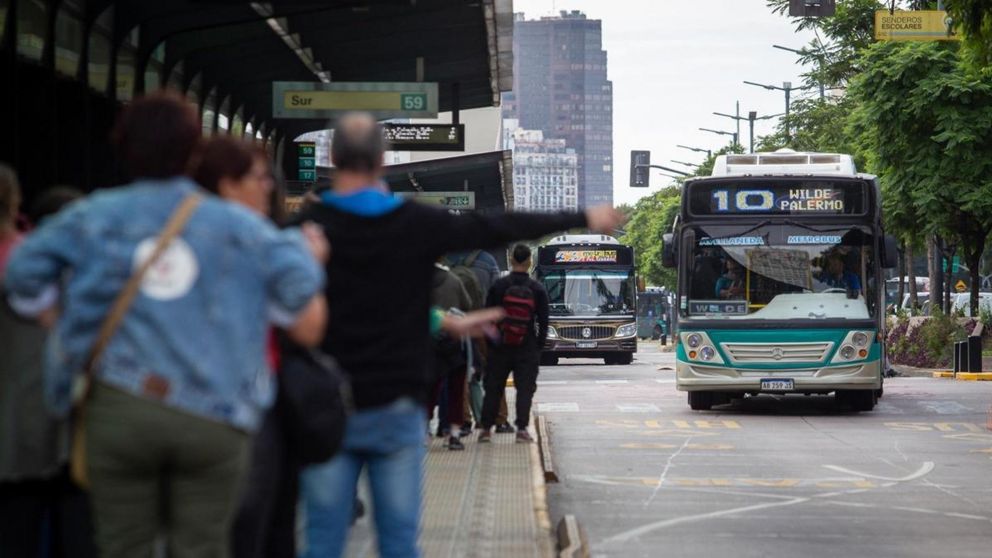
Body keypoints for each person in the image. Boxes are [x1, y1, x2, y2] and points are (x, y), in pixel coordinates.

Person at [3, 91, 328, 558]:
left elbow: (23, 272)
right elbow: (297, 289)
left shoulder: (91, 215)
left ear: (122, 148)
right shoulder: (239, 227)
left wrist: (59, 316)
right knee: (202, 547)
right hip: (215, 413)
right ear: (194, 152)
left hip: (119, 407)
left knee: (121, 545)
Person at [294, 111, 622, 558]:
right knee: (398, 541)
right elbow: (497, 224)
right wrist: (582, 215)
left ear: (333, 157)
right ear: (381, 159)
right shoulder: (415, 224)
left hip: (326, 406)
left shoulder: (305, 231)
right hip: (396, 403)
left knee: (322, 540)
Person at [189, 136, 328, 558]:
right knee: (261, 527)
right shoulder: (267, 243)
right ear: (228, 183)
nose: (269, 188)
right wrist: (313, 265)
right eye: (260, 178)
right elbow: (308, 328)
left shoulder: (175, 235)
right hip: (250, 406)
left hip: (182, 403)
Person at [477, 244, 549, 444]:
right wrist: (538, 347)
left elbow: (487, 316)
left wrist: (492, 343)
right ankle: (522, 430)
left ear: (511, 260)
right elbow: (543, 322)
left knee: (494, 388)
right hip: (526, 347)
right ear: (529, 262)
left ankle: (485, 430)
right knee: (524, 389)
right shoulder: (537, 288)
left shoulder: (499, 286)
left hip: (500, 346)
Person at [428, 262, 473, 450]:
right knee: (455, 391)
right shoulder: (454, 280)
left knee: (429, 391)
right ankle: (453, 435)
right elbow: (468, 305)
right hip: (454, 343)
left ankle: (424, 433)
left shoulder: (418, 280)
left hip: (429, 344)